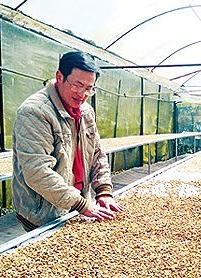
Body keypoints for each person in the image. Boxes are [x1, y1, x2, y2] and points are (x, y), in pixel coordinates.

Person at [12, 51, 123, 232]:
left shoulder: (85, 111)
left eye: (89, 88)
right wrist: (81, 204)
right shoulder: (35, 112)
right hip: (45, 213)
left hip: (76, 207)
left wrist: (103, 191)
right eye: (78, 85)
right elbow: (36, 171)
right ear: (59, 77)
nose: (83, 94)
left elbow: (97, 153)